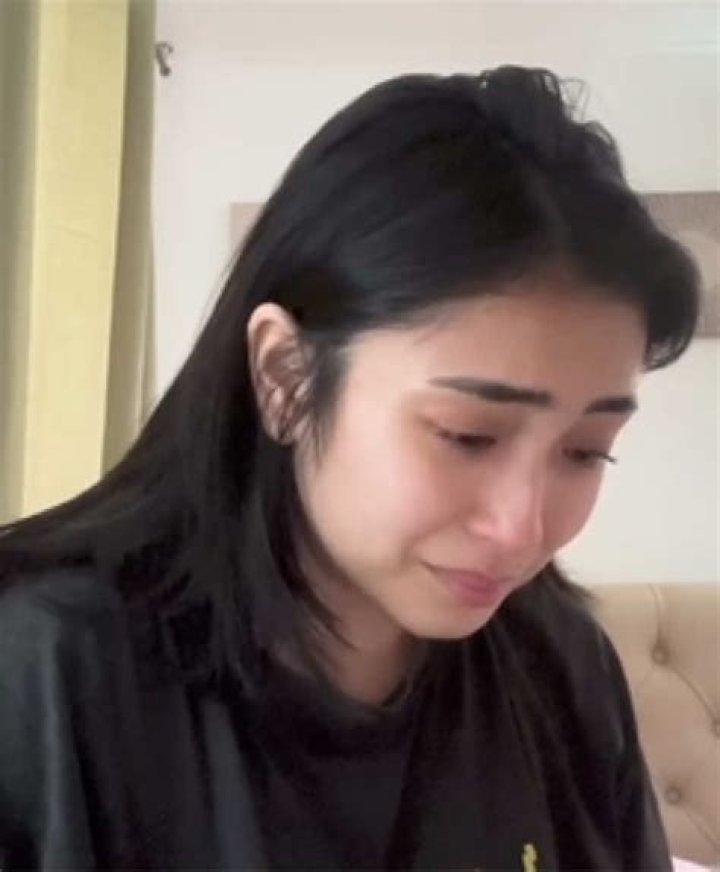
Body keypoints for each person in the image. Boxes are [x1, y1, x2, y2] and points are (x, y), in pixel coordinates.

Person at [0, 66, 699, 871]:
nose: (522, 529)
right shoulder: (48, 672)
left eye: (585, 451)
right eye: (467, 435)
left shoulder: (560, 670)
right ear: (286, 378)